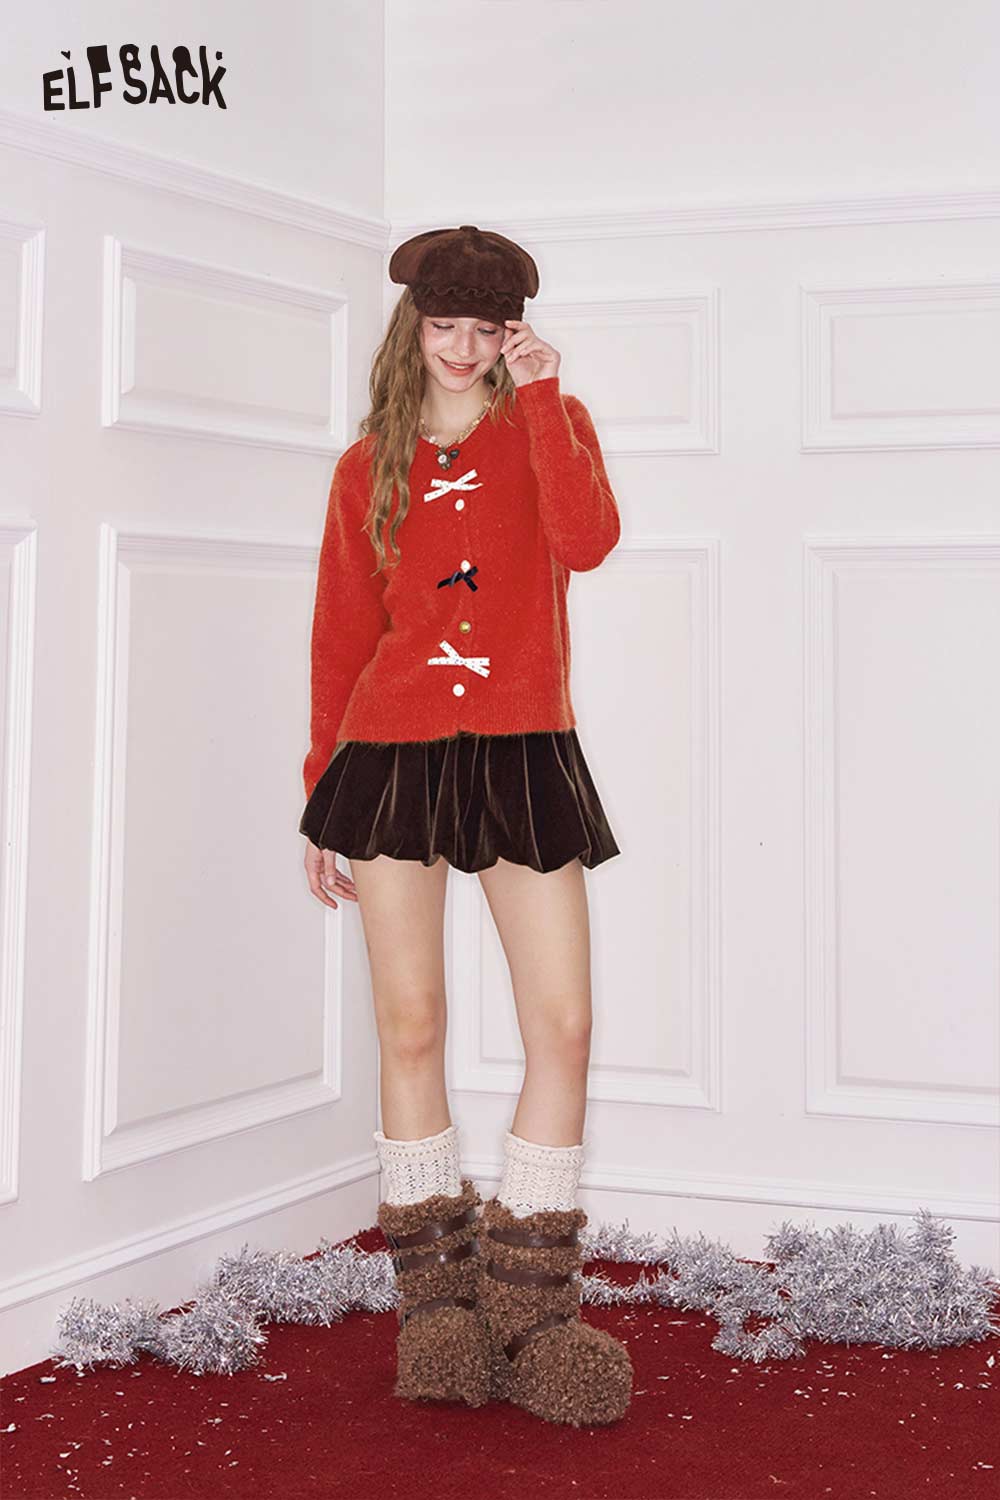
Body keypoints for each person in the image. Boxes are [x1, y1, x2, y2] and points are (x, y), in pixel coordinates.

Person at [298, 225, 632, 1426]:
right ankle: (435, 1314)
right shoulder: (365, 466)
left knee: (564, 1024)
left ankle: (532, 1315)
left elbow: (587, 542)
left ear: (511, 335)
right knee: (412, 1021)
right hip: (387, 755)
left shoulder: (552, 422)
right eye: (443, 327)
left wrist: (540, 398)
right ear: (414, 327)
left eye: (485, 331)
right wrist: (319, 791)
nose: (461, 349)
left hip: (520, 749)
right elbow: (342, 633)